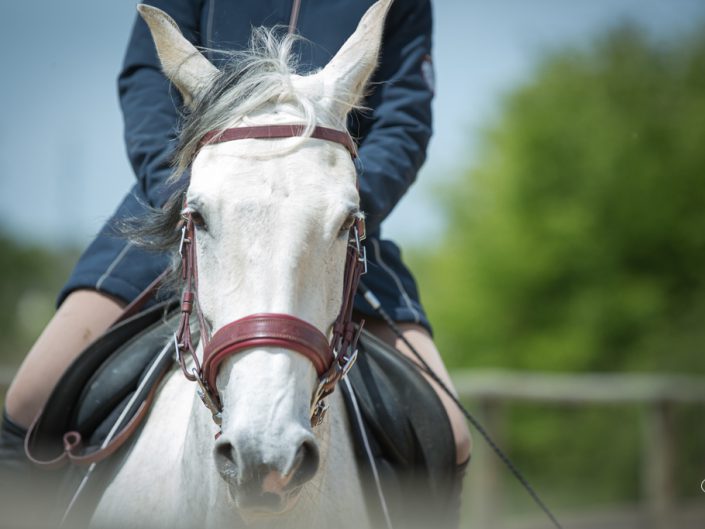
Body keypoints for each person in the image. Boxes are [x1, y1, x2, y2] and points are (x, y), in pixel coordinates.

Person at [1, 0, 470, 476]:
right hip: (187, 203)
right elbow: (147, 83)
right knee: (30, 399)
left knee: (450, 434)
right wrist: (195, 194)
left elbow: (404, 117)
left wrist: (332, 200)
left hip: (327, 218)